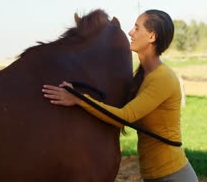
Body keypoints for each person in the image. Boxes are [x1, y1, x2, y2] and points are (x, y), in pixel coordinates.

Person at [42, 9, 198, 182]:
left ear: (152, 36)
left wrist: (78, 99)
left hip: (173, 175)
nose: (130, 32)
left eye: (137, 28)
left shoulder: (163, 78)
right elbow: (116, 109)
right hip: (156, 175)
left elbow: (125, 116)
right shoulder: (142, 76)